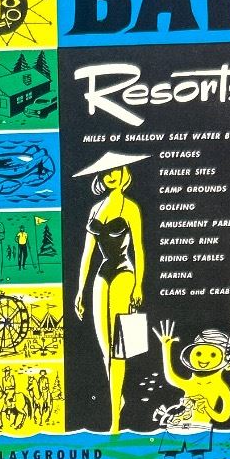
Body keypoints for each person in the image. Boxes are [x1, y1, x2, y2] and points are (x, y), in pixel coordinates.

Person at [73, 152, 149, 434]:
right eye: (106, 172)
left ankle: (115, 421)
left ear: (124, 172)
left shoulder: (131, 208)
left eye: (115, 170)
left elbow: (139, 249)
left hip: (124, 273)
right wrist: (80, 290)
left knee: (118, 346)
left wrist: (139, 285)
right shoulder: (95, 209)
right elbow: (87, 253)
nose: (110, 175)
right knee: (105, 346)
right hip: (102, 273)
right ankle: (119, 398)